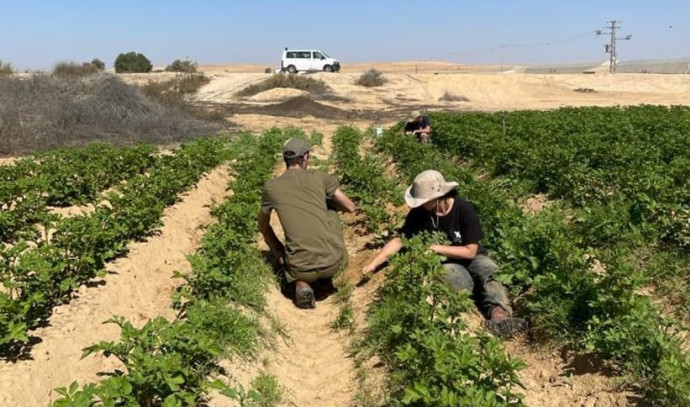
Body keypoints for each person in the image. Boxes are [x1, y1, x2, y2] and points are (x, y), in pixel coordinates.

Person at [362, 169, 527, 337]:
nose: (418, 204)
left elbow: (471, 251)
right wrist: (374, 264)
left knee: (488, 270)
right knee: (459, 281)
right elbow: (400, 240)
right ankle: (473, 312)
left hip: (472, 257)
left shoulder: (464, 210)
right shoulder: (419, 214)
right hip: (447, 263)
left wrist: (436, 248)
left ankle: (500, 316)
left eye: (422, 200)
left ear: (436, 197)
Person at [259, 137, 356, 309]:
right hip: (332, 263)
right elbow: (350, 207)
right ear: (305, 157)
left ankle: (302, 284)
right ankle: (326, 278)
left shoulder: (271, 187)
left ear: (285, 160)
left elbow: (263, 227)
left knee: (297, 256)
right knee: (330, 209)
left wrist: (279, 251)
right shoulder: (320, 177)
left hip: (298, 267)